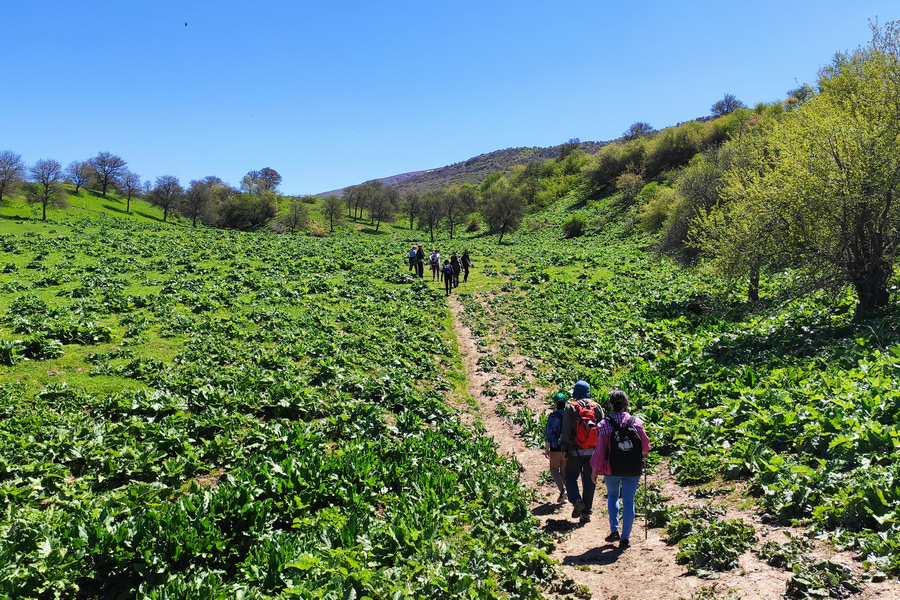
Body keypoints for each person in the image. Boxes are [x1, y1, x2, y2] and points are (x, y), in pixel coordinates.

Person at [591, 389, 651, 549]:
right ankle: (625, 538)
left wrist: (595, 469)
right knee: (629, 501)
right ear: (626, 403)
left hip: (612, 469)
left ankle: (614, 530)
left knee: (612, 496)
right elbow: (645, 448)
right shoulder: (636, 422)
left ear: (611, 404)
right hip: (632, 468)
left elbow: (600, 450)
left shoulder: (604, 424)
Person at [560, 380, 604, 523]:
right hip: (592, 451)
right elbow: (602, 429)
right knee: (590, 480)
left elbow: (566, 430)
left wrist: (564, 449)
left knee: (570, 476)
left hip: (574, 451)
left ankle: (576, 499)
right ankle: (586, 513)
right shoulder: (597, 407)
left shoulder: (570, 407)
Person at [544, 392, 568, 503]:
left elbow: (549, 433)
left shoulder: (553, 416)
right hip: (566, 448)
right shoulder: (569, 415)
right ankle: (571, 492)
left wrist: (547, 448)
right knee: (563, 471)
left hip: (555, 447)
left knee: (554, 469)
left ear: (555, 404)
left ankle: (563, 491)